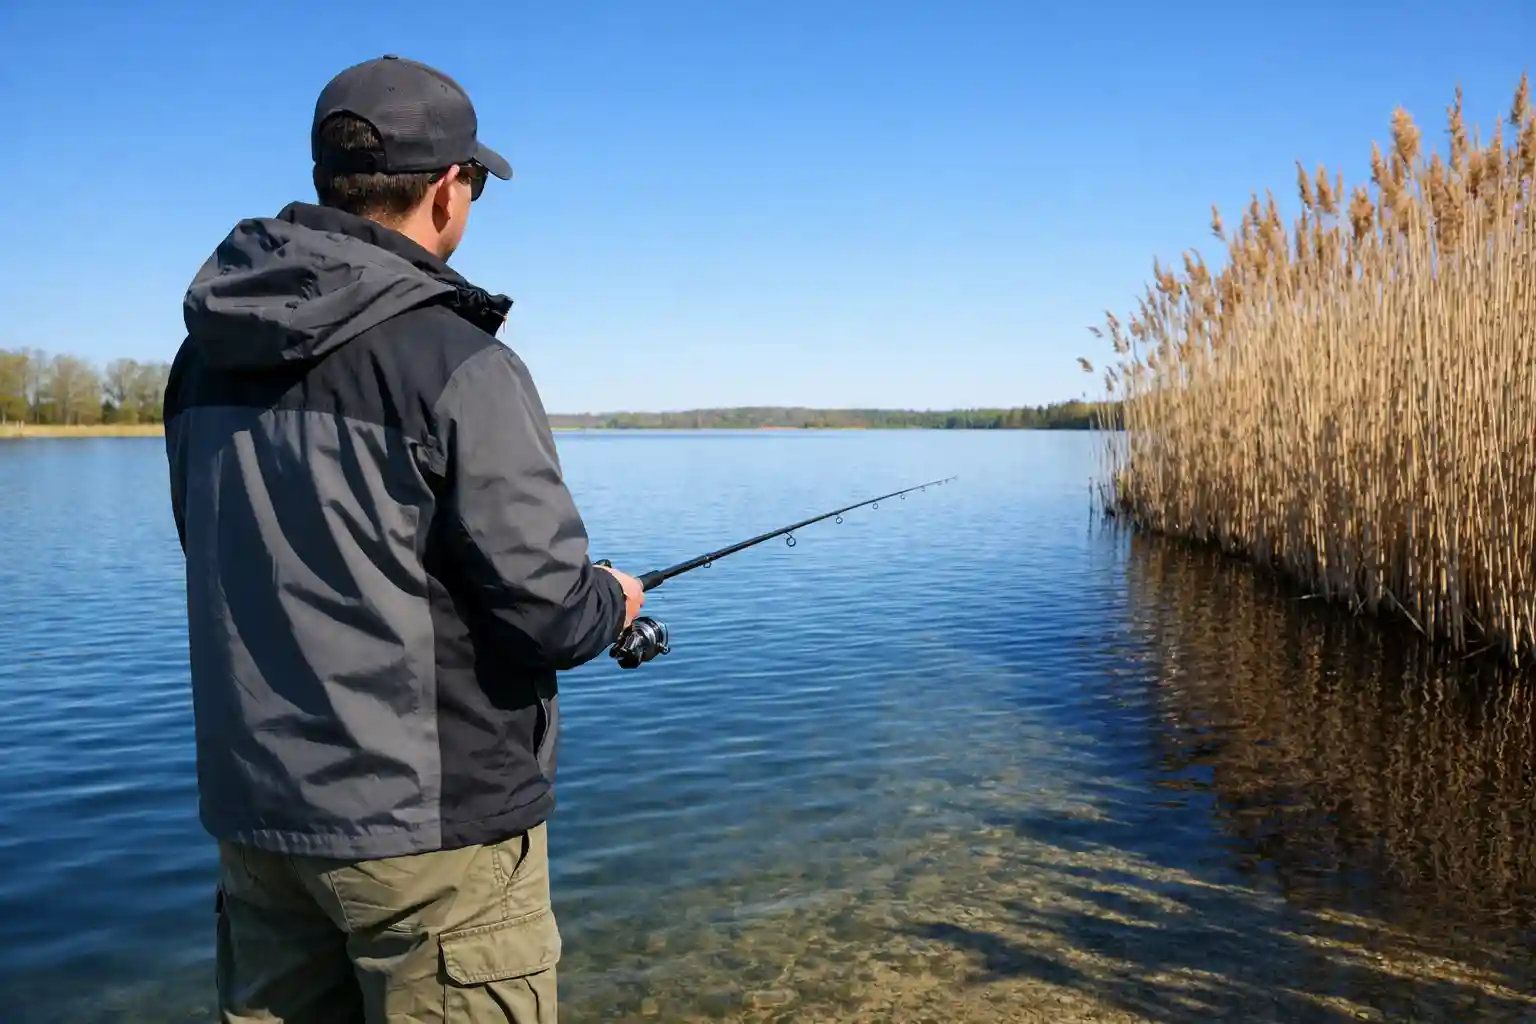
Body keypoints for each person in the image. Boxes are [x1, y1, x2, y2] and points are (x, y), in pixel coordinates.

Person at [162, 54, 646, 1023]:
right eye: (472, 183)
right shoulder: (458, 361)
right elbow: (549, 610)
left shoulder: (202, 361)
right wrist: (614, 599)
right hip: (433, 842)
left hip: (259, 829)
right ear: (444, 192)